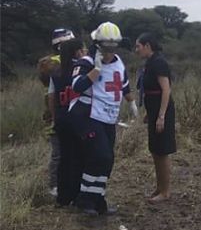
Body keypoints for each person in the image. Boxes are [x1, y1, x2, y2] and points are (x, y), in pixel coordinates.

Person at [68, 22, 138, 216]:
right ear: (97, 45)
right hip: (87, 116)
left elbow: (123, 84)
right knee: (100, 156)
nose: (109, 52)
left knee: (108, 160)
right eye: (106, 48)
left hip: (108, 117)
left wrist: (131, 103)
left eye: (113, 47)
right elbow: (77, 87)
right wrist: (96, 71)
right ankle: (85, 200)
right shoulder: (86, 62)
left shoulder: (118, 62)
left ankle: (98, 200)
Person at [135, 33, 176, 203]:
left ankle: (165, 192)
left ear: (147, 46)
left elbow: (166, 90)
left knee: (162, 150)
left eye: (138, 46)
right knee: (155, 150)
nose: (136, 49)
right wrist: (149, 113)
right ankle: (159, 188)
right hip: (153, 109)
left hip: (162, 111)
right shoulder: (150, 62)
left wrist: (161, 116)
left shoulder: (159, 62)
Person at [39, 28, 76, 197]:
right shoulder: (53, 64)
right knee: (59, 153)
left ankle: (64, 183)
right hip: (58, 113)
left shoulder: (61, 62)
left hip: (65, 112)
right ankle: (54, 185)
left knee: (66, 152)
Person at [50, 37, 85, 208]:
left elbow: (51, 96)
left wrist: (54, 118)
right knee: (79, 157)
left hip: (61, 119)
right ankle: (77, 195)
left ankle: (63, 198)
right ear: (77, 51)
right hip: (77, 118)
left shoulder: (56, 71)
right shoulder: (80, 69)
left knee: (64, 158)